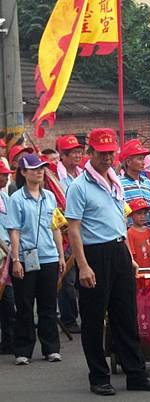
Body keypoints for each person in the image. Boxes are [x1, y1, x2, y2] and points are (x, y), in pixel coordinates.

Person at [65, 128, 150, 395]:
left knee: (126, 316)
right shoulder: (79, 186)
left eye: (111, 153)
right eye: (102, 153)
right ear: (90, 153)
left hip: (120, 251)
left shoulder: (116, 181)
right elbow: (73, 228)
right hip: (94, 254)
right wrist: (83, 265)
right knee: (94, 318)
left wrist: (129, 257)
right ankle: (99, 376)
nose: (107, 158)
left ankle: (136, 374)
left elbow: (119, 220)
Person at [7, 153, 65, 365]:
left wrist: (60, 255)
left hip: (49, 256)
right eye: (34, 169)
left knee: (48, 305)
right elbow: (14, 231)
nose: (39, 172)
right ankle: (23, 350)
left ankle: (51, 348)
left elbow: (56, 227)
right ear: (23, 172)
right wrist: (15, 259)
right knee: (24, 305)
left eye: (41, 168)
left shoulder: (49, 197)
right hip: (25, 257)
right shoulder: (16, 199)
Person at [56, 134, 84, 334]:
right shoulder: (55, 178)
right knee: (68, 278)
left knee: (86, 275)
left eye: (78, 152)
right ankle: (69, 317)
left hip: (84, 231)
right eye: (72, 152)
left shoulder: (82, 174)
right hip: (65, 234)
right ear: (62, 156)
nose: (77, 155)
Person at [119, 139, 150, 225]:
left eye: (143, 159)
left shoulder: (147, 182)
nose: (143, 163)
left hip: (148, 230)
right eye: (139, 159)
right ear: (128, 162)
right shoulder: (119, 183)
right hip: (129, 230)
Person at [0, 161, 15, 355]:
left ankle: (9, 339)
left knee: (8, 300)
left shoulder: (6, 196)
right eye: (2, 175)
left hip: (8, 254)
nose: (4, 178)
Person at [127, 199, 150, 269]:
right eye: (139, 213)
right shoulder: (130, 233)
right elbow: (131, 255)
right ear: (131, 215)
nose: (143, 216)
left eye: (145, 213)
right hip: (139, 270)